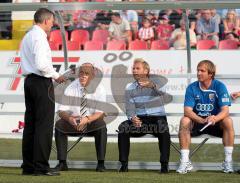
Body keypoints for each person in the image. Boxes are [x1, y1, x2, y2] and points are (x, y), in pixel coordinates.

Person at [20, 8, 65, 176]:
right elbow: (41, 64)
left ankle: (29, 166)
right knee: (44, 126)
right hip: (41, 82)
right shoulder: (39, 37)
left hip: (30, 82)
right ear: (46, 21)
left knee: (30, 125)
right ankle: (41, 167)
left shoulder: (28, 36)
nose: (52, 24)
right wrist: (56, 75)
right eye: (52, 21)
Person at [177, 60, 234, 174]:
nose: (198, 73)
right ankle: (185, 162)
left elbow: (225, 111)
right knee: (184, 120)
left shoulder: (219, 86)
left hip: (215, 123)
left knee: (228, 120)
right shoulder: (192, 87)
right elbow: (187, 111)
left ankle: (228, 162)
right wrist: (202, 120)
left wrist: (214, 118)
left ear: (210, 74)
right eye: (198, 70)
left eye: (202, 71)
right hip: (198, 123)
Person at [118, 58, 171, 173]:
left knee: (163, 129)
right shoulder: (130, 87)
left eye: (138, 68)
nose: (134, 71)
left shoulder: (157, 82)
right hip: (141, 120)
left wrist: (152, 85)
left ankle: (164, 165)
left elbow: (164, 94)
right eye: (133, 68)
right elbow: (130, 108)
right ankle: (123, 164)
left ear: (146, 71)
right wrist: (133, 118)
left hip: (157, 118)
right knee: (123, 127)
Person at [54, 63, 107, 172]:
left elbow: (100, 113)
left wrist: (86, 120)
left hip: (91, 122)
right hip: (74, 121)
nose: (83, 76)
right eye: (81, 73)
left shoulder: (100, 89)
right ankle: (62, 162)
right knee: (59, 124)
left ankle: (101, 164)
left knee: (101, 125)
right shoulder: (71, 87)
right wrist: (70, 119)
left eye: (86, 73)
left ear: (92, 76)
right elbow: (61, 111)